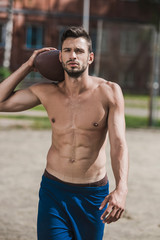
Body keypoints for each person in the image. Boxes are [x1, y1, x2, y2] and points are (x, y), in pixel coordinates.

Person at [0, 26, 128, 240]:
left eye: (79, 51)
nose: (73, 55)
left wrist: (121, 188)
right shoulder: (47, 92)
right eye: (67, 50)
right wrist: (28, 65)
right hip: (54, 192)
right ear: (59, 57)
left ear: (90, 58)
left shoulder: (109, 92)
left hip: (93, 196)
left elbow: (119, 144)